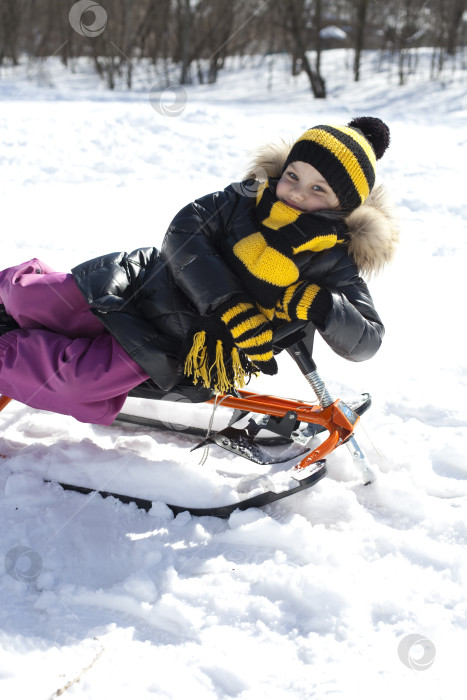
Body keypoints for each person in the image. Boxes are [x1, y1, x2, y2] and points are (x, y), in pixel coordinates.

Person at [0, 116, 399, 425]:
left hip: (178, 344)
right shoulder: (243, 200)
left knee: (78, 382)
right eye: (294, 176)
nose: (296, 192)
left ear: (342, 207)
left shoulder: (334, 261)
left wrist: (322, 304)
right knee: (26, 297)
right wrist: (229, 303)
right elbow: (184, 232)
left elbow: (368, 340)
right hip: (141, 284)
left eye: (318, 189)